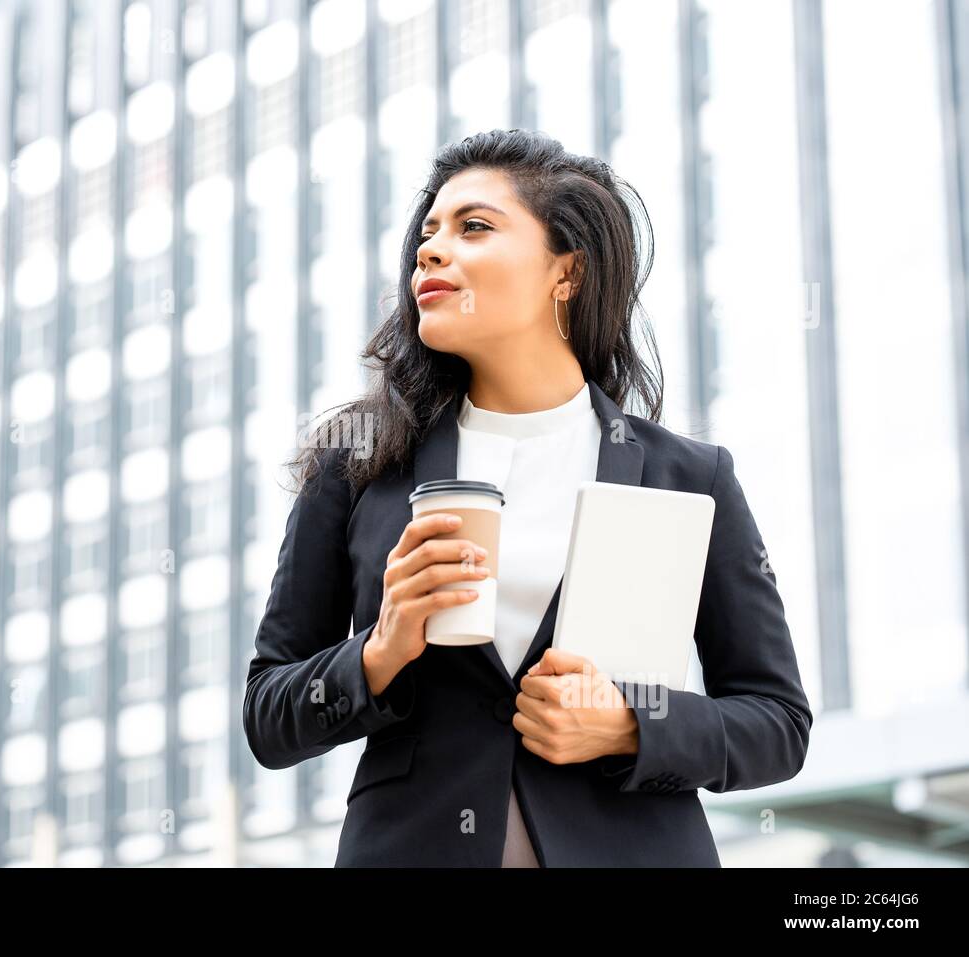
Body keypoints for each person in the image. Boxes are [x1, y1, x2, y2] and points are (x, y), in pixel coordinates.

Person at [242, 128, 813, 866]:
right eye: (428, 231)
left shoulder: (689, 476)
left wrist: (630, 724)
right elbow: (268, 714)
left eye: (473, 225)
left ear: (565, 271)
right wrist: (378, 652)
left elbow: (778, 722)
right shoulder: (358, 463)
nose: (431, 248)